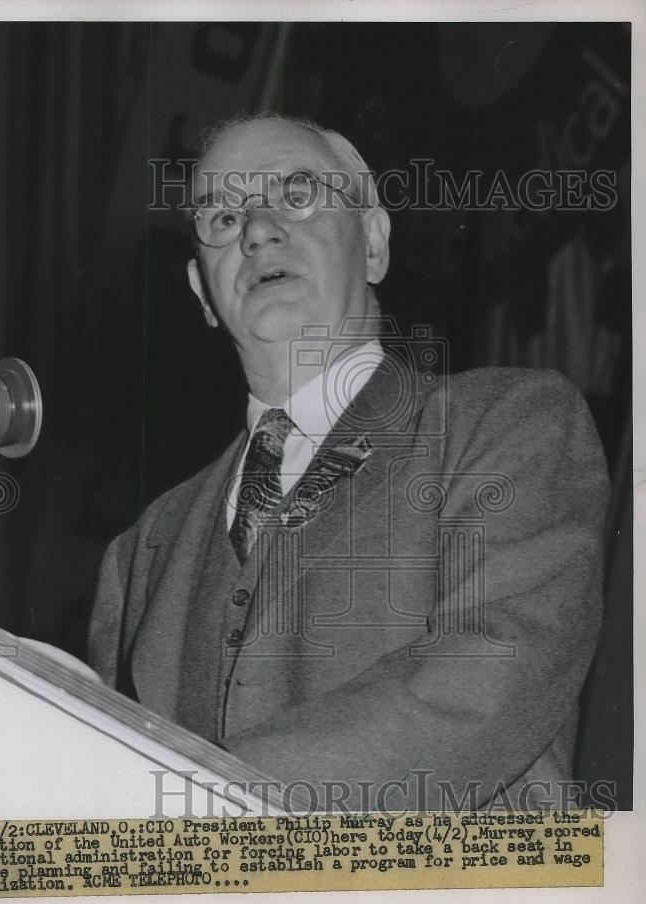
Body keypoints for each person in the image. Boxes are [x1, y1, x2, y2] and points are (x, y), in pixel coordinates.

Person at [89, 113, 609, 810]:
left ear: (371, 242)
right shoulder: (143, 549)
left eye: (296, 194)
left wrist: (200, 801)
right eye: (220, 216)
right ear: (200, 294)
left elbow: (485, 676)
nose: (257, 229)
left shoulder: (507, 423)